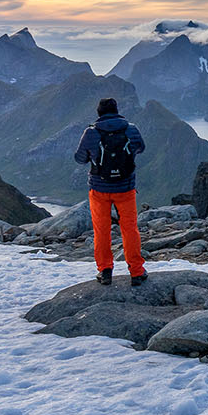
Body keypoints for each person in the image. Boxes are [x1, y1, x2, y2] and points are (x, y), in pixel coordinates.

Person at [73, 97, 147, 286]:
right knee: (130, 229)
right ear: (116, 110)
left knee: (102, 231)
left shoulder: (91, 133)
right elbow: (141, 148)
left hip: (99, 189)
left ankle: (105, 271)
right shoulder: (130, 129)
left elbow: (80, 158)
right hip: (126, 188)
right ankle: (137, 272)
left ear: (99, 113)